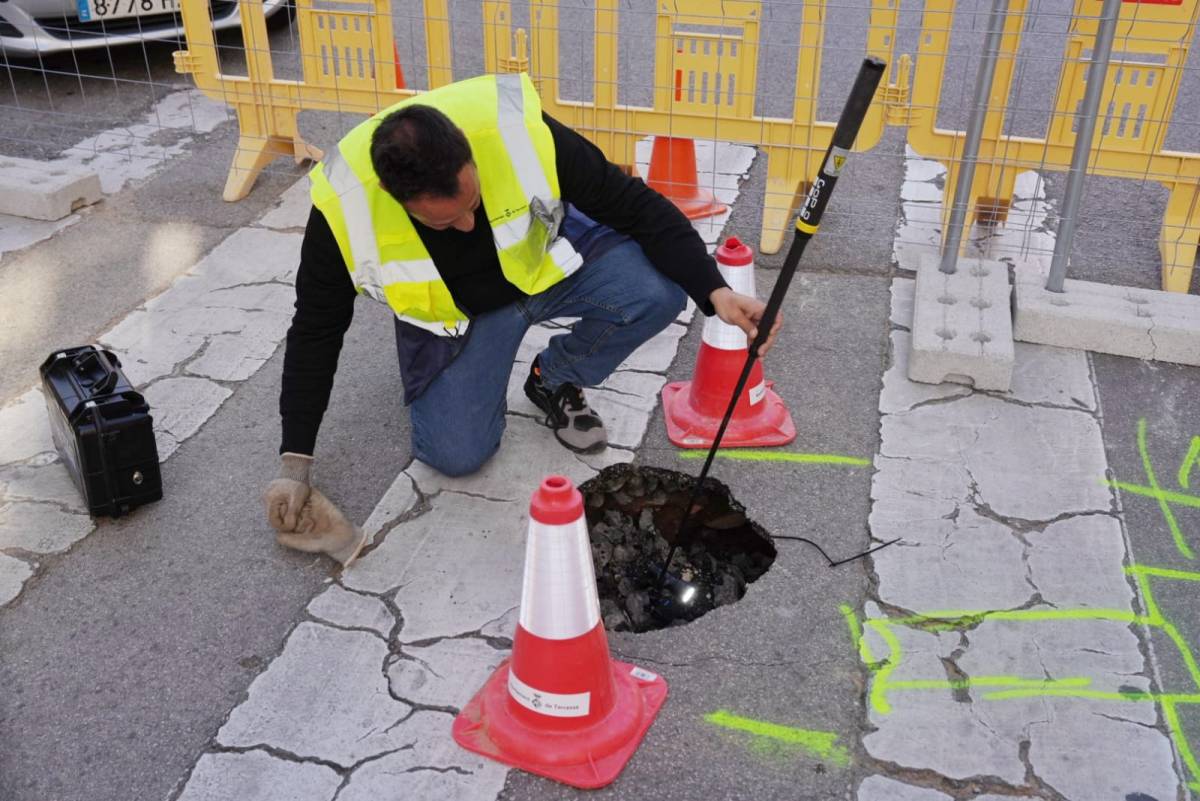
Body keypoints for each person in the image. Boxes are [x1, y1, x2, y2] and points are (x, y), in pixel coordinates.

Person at [263, 73, 781, 563]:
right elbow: (315, 330)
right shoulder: (344, 208)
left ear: (467, 152)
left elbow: (635, 206)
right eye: (446, 222)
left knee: (656, 292)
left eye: (473, 202)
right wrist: (295, 462)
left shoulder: (516, 131)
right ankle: (468, 378)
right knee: (457, 455)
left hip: (543, 266)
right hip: (462, 319)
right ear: (401, 202)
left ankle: (553, 379)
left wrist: (713, 289)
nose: (468, 224)